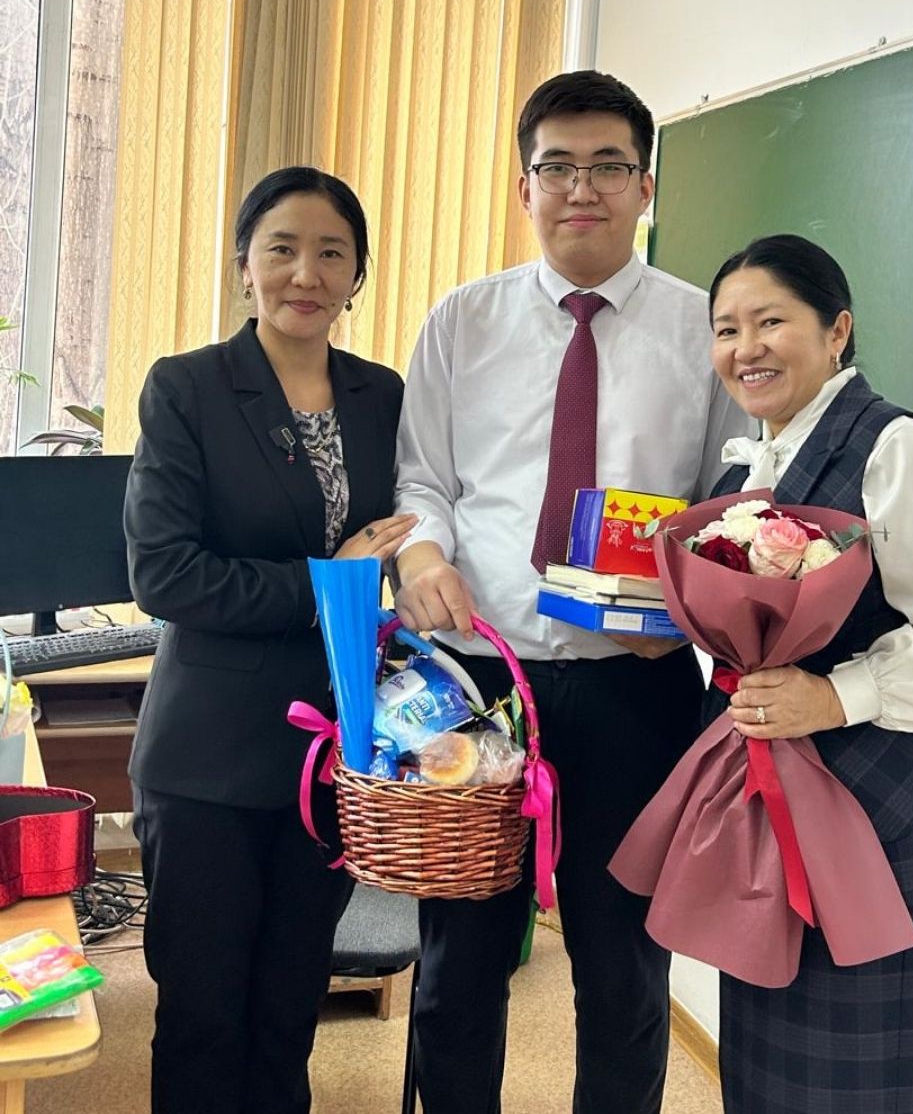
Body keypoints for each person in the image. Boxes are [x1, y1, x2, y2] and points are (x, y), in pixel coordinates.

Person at [392, 70, 750, 1114]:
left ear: (646, 187)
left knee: (623, 961)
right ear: (524, 187)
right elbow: (423, 480)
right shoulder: (463, 320)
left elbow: (726, 509)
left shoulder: (704, 329)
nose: (580, 189)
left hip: (636, 684)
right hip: (479, 680)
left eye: (607, 167)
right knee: (460, 959)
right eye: (557, 167)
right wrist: (424, 558)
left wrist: (686, 612)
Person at [124, 167, 415, 1114]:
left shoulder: (382, 395)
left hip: (333, 751)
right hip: (209, 756)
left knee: (290, 1007)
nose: (306, 273)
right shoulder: (188, 387)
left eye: (332, 253)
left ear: (357, 275)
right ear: (244, 263)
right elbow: (165, 575)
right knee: (203, 1012)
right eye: (282, 248)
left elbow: (410, 534)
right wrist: (332, 583)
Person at [701, 233, 913, 1113]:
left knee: (861, 1087)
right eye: (726, 329)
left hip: (875, 825)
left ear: (837, 331)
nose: (745, 348)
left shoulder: (898, 450)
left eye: (770, 322)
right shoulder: (754, 461)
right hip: (771, 819)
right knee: (764, 1078)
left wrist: (834, 696)